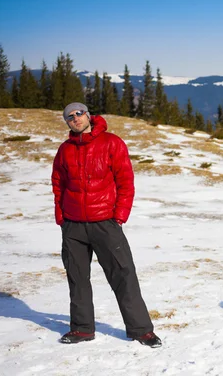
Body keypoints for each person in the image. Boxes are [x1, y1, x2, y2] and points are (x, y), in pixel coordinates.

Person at [51, 102, 161, 348]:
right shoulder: (65, 150)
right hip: (74, 226)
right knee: (77, 278)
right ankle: (81, 329)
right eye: (69, 116)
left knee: (123, 275)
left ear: (88, 115)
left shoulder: (112, 143)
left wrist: (119, 216)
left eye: (79, 114)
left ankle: (141, 330)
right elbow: (58, 184)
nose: (75, 118)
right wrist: (62, 218)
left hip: (106, 223)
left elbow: (125, 181)